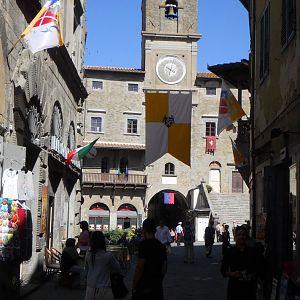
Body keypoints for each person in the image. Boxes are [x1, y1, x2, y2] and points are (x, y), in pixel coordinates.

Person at [221, 226, 261, 300]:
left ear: (246, 236)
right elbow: (223, 270)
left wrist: (250, 275)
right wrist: (233, 274)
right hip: (234, 287)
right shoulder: (230, 252)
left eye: (243, 234)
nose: (241, 237)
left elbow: (258, 269)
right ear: (235, 236)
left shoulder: (252, 252)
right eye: (239, 235)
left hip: (249, 288)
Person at [132, 218, 167, 300]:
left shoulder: (143, 245)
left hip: (144, 285)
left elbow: (140, 267)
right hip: (157, 287)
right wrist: (158, 279)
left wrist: (134, 284)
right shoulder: (161, 246)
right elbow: (164, 268)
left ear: (144, 230)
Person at [84, 231, 121, 300]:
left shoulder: (88, 254)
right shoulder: (108, 256)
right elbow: (118, 268)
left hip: (90, 289)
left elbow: (86, 270)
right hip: (105, 289)